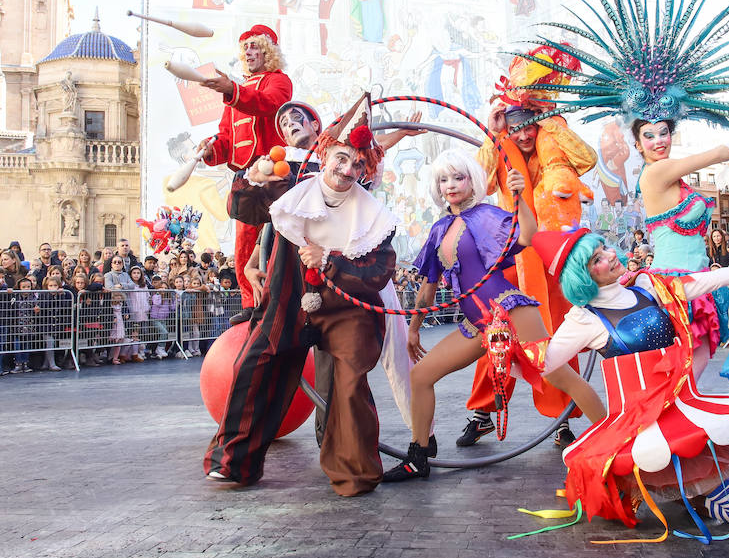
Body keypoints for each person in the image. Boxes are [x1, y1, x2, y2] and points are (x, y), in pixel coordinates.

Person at [527, 226, 729, 528]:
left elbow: (709, 280)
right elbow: (541, 362)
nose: (609, 255)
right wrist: (500, 348)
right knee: (724, 497)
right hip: (641, 421)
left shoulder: (650, 287)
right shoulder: (584, 319)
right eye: (596, 259)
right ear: (583, 276)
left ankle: (700, 496)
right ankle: (702, 495)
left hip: (685, 404)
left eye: (604, 248)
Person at [204, 94, 397, 496]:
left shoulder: (374, 217)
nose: (348, 170)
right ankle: (233, 463)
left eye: (358, 164)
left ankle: (354, 472)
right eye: (342, 158)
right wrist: (251, 175)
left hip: (346, 309)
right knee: (257, 363)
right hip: (289, 298)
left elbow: (379, 271)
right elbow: (242, 207)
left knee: (347, 385)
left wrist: (331, 261)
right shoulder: (292, 188)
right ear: (326, 155)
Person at [382, 149, 606, 482]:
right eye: (444, 179)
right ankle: (419, 454)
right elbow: (429, 287)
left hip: (512, 312)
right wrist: (413, 329)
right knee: (420, 376)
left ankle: (616, 440)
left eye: (459, 177)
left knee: (559, 377)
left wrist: (518, 197)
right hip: (476, 325)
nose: (452, 185)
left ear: (473, 181)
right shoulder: (439, 229)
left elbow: (527, 237)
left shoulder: (486, 215)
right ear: (437, 186)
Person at [455, 54, 599, 449]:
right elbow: (478, 183)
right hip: (508, 258)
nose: (522, 135)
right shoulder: (501, 147)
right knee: (494, 331)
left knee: (557, 335)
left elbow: (588, 160)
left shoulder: (555, 142)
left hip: (552, 259)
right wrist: (493, 133)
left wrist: (552, 119)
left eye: (528, 125)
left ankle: (564, 419)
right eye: (515, 127)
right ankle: (483, 413)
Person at [631, 119, 729, 376]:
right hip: (674, 282)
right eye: (649, 136)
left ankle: (676, 408)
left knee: (698, 354)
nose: (659, 140)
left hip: (693, 279)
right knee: (686, 359)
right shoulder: (657, 172)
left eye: (664, 133)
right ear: (638, 145)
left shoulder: (671, 176)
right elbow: (714, 155)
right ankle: (667, 410)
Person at [187, 25, 294, 326]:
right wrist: (210, 150)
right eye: (245, 47)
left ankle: (278, 303)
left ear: (268, 52)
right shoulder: (236, 93)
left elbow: (269, 105)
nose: (248, 52)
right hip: (246, 178)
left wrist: (231, 90)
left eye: (254, 47)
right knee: (244, 245)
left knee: (274, 243)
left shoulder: (279, 81)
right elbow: (226, 139)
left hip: (273, 176)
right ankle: (251, 303)